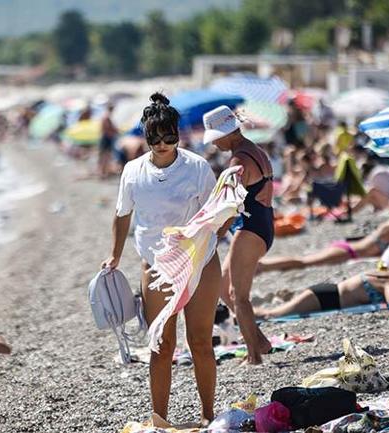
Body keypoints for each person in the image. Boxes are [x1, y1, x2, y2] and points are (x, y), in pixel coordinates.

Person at [101, 93, 221, 424]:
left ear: (178, 134)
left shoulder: (197, 167)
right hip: (156, 267)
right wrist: (114, 255)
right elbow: (122, 214)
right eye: (156, 139)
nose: (163, 144)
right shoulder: (133, 171)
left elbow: (216, 214)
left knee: (200, 342)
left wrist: (209, 232)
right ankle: (159, 419)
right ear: (146, 136)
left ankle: (208, 416)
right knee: (161, 345)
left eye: (170, 137)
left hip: (199, 262)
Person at [203, 105, 274, 366]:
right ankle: (261, 341)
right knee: (223, 288)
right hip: (261, 226)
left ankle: (253, 356)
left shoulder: (239, 160)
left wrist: (217, 233)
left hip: (249, 229)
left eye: (215, 138)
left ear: (227, 133)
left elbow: (231, 206)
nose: (215, 144)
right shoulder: (254, 150)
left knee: (238, 295)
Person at [258, 196, 389, 273]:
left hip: (349, 251)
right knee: (304, 262)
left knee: (305, 261)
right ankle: (263, 266)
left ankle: (264, 266)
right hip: (348, 251)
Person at [254, 267, 389, 319]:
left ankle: (245, 314)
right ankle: (239, 317)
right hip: (327, 299)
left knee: (278, 311)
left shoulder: (386, 274)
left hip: (325, 293)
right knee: (272, 315)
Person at [98, 103, 118, 179]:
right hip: (106, 138)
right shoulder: (106, 117)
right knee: (105, 156)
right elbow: (107, 129)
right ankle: (103, 172)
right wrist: (115, 131)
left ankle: (104, 171)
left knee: (106, 155)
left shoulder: (106, 117)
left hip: (106, 138)